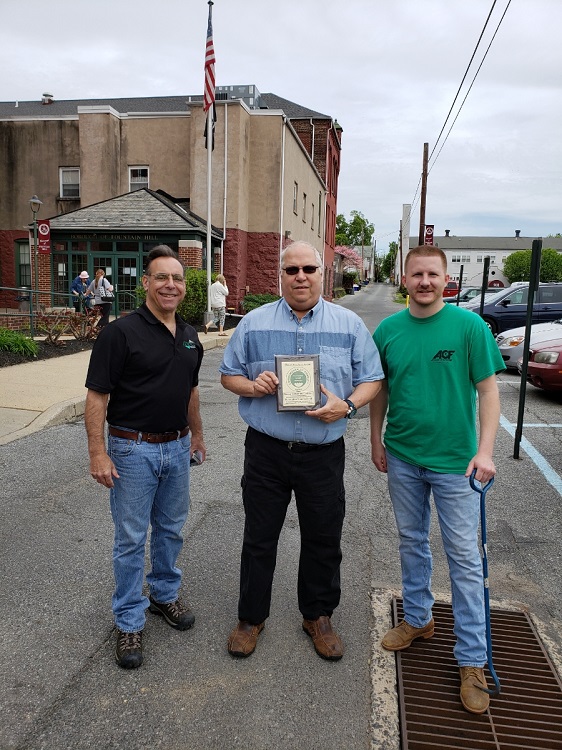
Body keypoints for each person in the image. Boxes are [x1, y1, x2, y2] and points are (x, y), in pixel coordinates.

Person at [219, 241, 384, 661]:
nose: (300, 277)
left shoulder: (348, 325)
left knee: (323, 537)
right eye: (291, 270)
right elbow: (227, 375)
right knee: (259, 536)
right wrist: (252, 386)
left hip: (322, 455)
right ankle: (251, 617)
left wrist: (346, 406)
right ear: (281, 275)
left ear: (322, 273)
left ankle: (318, 615)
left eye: (309, 268)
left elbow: (372, 380)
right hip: (266, 451)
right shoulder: (253, 324)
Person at [370, 245, 505, 714]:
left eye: (433, 274)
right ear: (403, 278)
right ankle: (419, 619)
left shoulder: (468, 327)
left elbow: (489, 391)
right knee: (411, 541)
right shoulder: (388, 331)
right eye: (416, 274)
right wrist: (375, 439)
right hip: (404, 457)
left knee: (464, 559)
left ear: (446, 279)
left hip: (456, 464)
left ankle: (472, 660)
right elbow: (381, 391)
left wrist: (484, 451)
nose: (424, 281)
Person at [85, 245, 206, 670]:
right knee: (132, 538)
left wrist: (197, 436)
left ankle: (164, 595)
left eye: (176, 278)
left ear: (184, 286)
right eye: (161, 277)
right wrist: (98, 452)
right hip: (132, 448)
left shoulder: (191, 336)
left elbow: (190, 391)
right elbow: (97, 396)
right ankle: (129, 619)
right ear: (146, 284)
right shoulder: (120, 333)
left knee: (171, 529)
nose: (169, 285)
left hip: (177, 446)